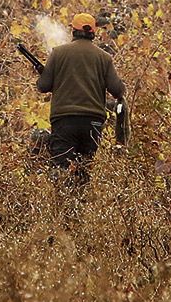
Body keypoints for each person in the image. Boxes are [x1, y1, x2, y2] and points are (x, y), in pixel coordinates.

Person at [36, 13, 126, 187]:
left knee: (61, 170)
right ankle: (80, 206)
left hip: (64, 121)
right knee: (83, 171)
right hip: (93, 123)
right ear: (93, 32)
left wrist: (45, 73)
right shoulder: (104, 58)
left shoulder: (58, 53)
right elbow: (118, 90)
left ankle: (61, 208)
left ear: (73, 31)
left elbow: (43, 86)